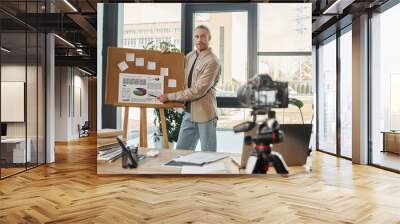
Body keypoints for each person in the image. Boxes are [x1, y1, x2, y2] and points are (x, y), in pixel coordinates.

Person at [158, 25, 221, 152]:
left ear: (209, 38)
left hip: (205, 115)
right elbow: (177, 68)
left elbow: (198, 90)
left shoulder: (212, 61)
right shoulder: (190, 56)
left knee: (208, 155)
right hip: (188, 113)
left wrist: (170, 96)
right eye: (196, 36)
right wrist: (168, 56)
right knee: (181, 152)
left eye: (203, 36)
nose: (199, 40)